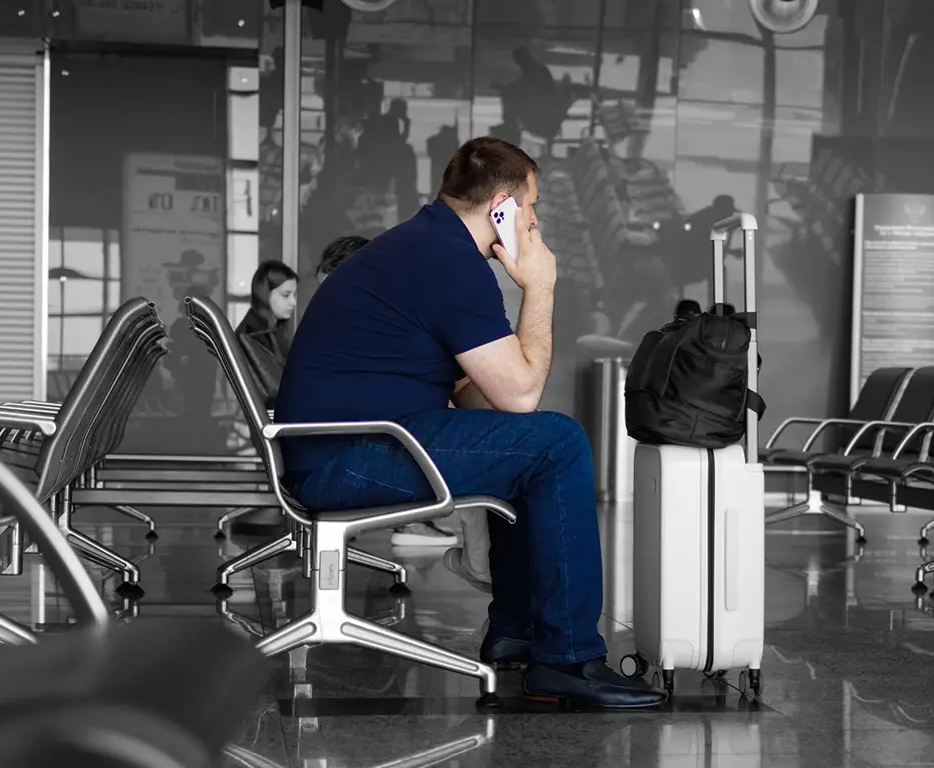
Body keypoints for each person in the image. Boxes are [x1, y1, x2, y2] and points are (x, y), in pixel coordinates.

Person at [274, 136, 665, 708]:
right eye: (531, 207)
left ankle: (517, 631)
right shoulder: (449, 262)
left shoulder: (426, 246)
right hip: (346, 455)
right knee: (558, 442)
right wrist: (541, 286)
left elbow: (494, 404)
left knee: (532, 447)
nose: (534, 223)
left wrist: (509, 402)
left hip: (347, 445)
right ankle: (570, 659)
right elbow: (522, 395)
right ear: (501, 207)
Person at [235, 260, 298, 410]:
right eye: (286, 295)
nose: (293, 302)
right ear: (265, 295)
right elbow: (274, 387)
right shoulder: (249, 337)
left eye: (294, 295)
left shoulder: (276, 332)